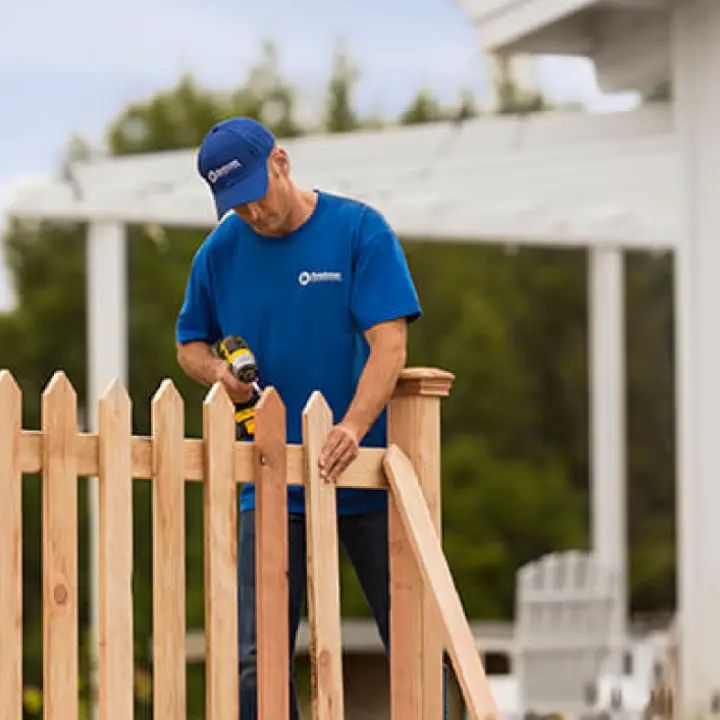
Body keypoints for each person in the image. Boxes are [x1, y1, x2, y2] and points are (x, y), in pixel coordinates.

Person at [175, 116, 444, 717]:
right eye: (233, 206)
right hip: (271, 480)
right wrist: (217, 373)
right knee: (254, 658)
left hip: (370, 475)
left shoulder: (358, 231)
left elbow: (390, 345)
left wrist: (350, 426)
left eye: (254, 197)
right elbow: (189, 342)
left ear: (281, 163)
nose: (251, 215)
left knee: (417, 643)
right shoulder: (219, 252)